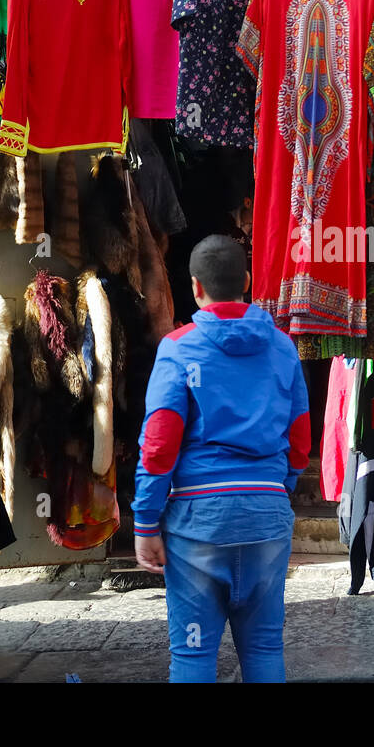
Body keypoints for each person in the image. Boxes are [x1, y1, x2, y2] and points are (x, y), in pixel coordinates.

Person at [132, 234, 310, 682]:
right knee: (266, 648)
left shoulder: (178, 348)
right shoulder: (283, 347)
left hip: (198, 526)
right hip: (266, 519)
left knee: (192, 657)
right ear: (247, 281)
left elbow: (158, 445)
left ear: (195, 287)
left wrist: (146, 522)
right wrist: (277, 489)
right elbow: (301, 437)